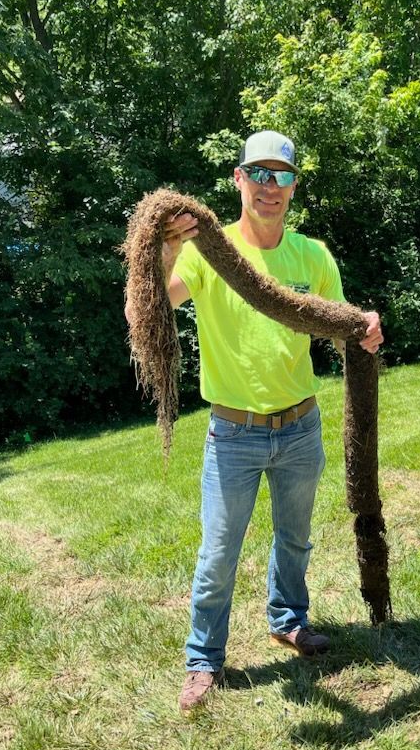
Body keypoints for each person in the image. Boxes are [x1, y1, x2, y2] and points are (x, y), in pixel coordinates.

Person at [161, 130, 383, 712]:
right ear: (238, 179)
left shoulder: (312, 256)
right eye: (258, 173)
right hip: (233, 433)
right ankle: (203, 660)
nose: (269, 186)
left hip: (301, 427)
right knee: (218, 552)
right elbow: (160, 297)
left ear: (293, 187)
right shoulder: (209, 251)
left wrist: (366, 328)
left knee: (295, 538)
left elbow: (342, 327)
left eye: (281, 176)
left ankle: (289, 621)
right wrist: (161, 246)